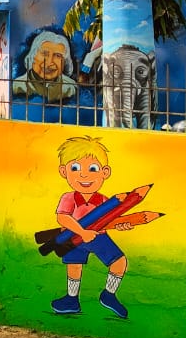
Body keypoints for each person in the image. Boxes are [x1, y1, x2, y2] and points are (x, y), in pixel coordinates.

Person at [51, 135, 131, 318]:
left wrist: (122, 224)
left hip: (98, 236)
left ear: (105, 172)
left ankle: (109, 294)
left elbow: (111, 219)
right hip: (74, 236)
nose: (84, 175)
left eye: (93, 168)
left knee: (119, 262)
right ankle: (71, 299)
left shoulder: (105, 200)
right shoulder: (69, 198)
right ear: (63, 171)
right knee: (74, 266)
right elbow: (62, 218)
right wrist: (82, 231)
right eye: (75, 168)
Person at [12, 30, 78, 103]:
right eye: (44, 54)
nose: (49, 62)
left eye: (58, 56)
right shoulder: (18, 87)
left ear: (65, 62)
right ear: (33, 56)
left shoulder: (70, 88)